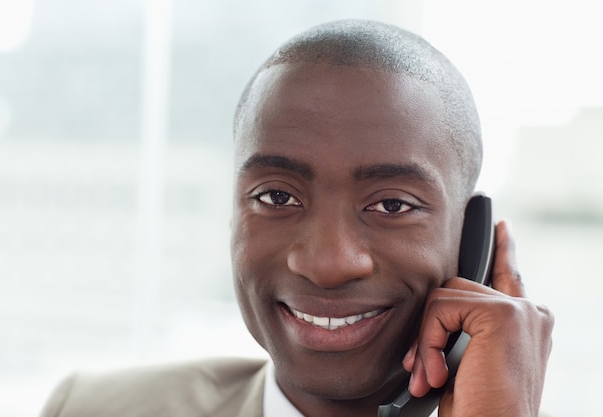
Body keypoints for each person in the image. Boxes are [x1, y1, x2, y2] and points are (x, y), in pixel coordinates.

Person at [39, 19, 554, 417]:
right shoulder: (89, 407)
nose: (327, 263)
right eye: (276, 198)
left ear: (474, 242)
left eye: (392, 205)